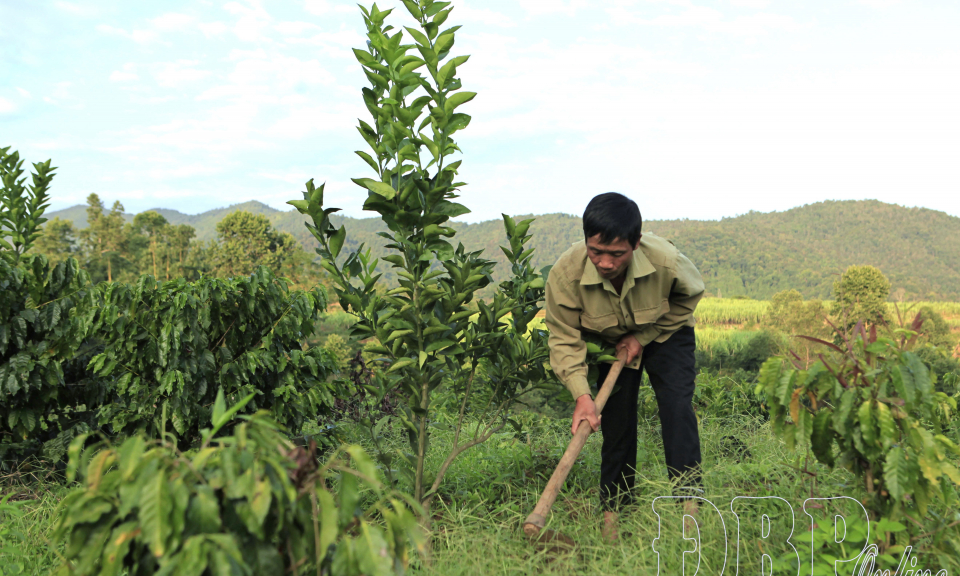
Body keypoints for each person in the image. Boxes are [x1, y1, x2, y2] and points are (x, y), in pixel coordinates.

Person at [544, 192, 705, 541]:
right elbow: (563, 337)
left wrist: (644, 335)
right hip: (607, 341)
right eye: (595, 251)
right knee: (616, 424)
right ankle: (613, 520)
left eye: (616, 254)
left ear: (636, 243)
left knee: (677, 409)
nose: (604, 263)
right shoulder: (565, 275)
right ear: (586, 240)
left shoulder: (665, 261)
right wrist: (582, 396)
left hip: (665, 333)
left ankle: (690, 511)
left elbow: (690, 296)